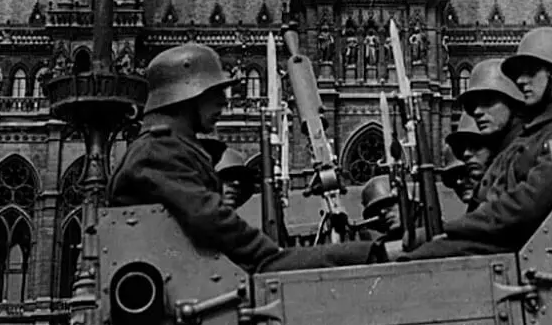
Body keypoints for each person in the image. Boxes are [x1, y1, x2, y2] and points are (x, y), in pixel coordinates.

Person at [108, 42, 384, 272]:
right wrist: (272, 255)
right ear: (186, 95)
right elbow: (213, 222)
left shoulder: (167, 147)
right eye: (214, 93)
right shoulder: (158, 152)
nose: (225, 103)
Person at [401, 28, 552, 259]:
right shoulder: (544, 132)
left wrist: (447, 230)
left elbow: (526, 207)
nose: (521, 81)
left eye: (531, 71)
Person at [441, 59, 526, 204]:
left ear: (513, 101)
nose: (477, 111)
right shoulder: (502, 162)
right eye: (472, 105)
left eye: (488, 101)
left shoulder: (524, 153)